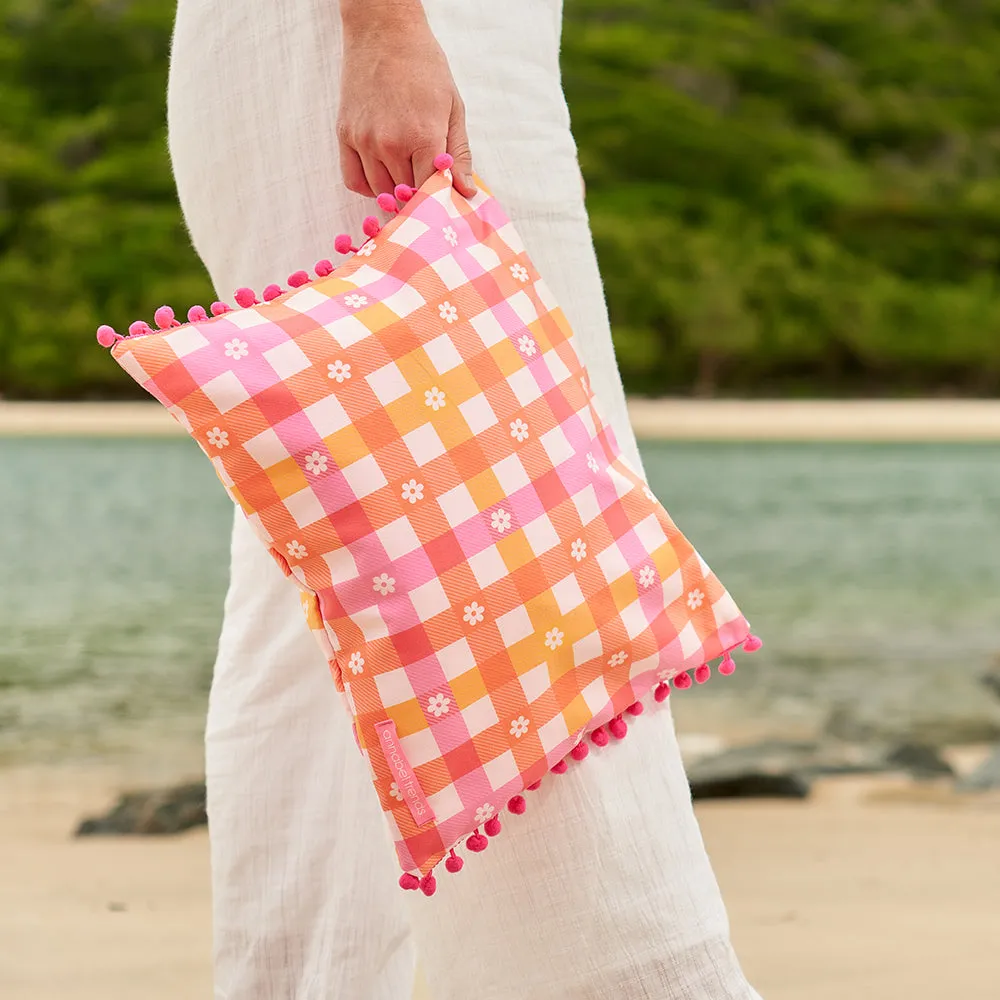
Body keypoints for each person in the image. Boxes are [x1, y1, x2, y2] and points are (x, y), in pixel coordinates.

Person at [167, 1, 761, 997]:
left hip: (455, 42)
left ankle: (305, 979)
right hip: (363, 38)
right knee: (513, 541)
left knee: (351, 576)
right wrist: (385, 32)